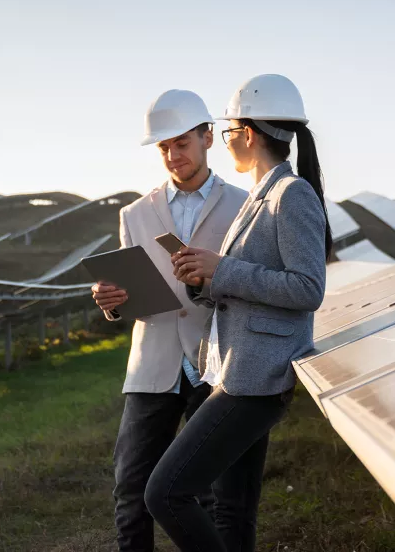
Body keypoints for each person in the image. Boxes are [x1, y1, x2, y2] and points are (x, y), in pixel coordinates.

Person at [144, 74, 333, 551]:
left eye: (228, 134)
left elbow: (308, 287)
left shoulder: (291, 195)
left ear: (247, 133)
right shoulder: (262, 195)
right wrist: (204, 280)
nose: (228, 144)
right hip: (237, 370)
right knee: (233, 510)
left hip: (255, 380)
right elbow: (249, 283)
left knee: (165, 492)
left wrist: (222, 268)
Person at [91, 88, 247, 552]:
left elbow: (253, 282)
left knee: (212, 491)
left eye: (181, 143)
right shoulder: (134, 214)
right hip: (153, 364)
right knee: (131, 487)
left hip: (217, 363)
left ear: (207, 137)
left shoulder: (245, 205)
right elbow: (126, 293)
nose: (172, 155)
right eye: (163, 148)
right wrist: (110, 299)